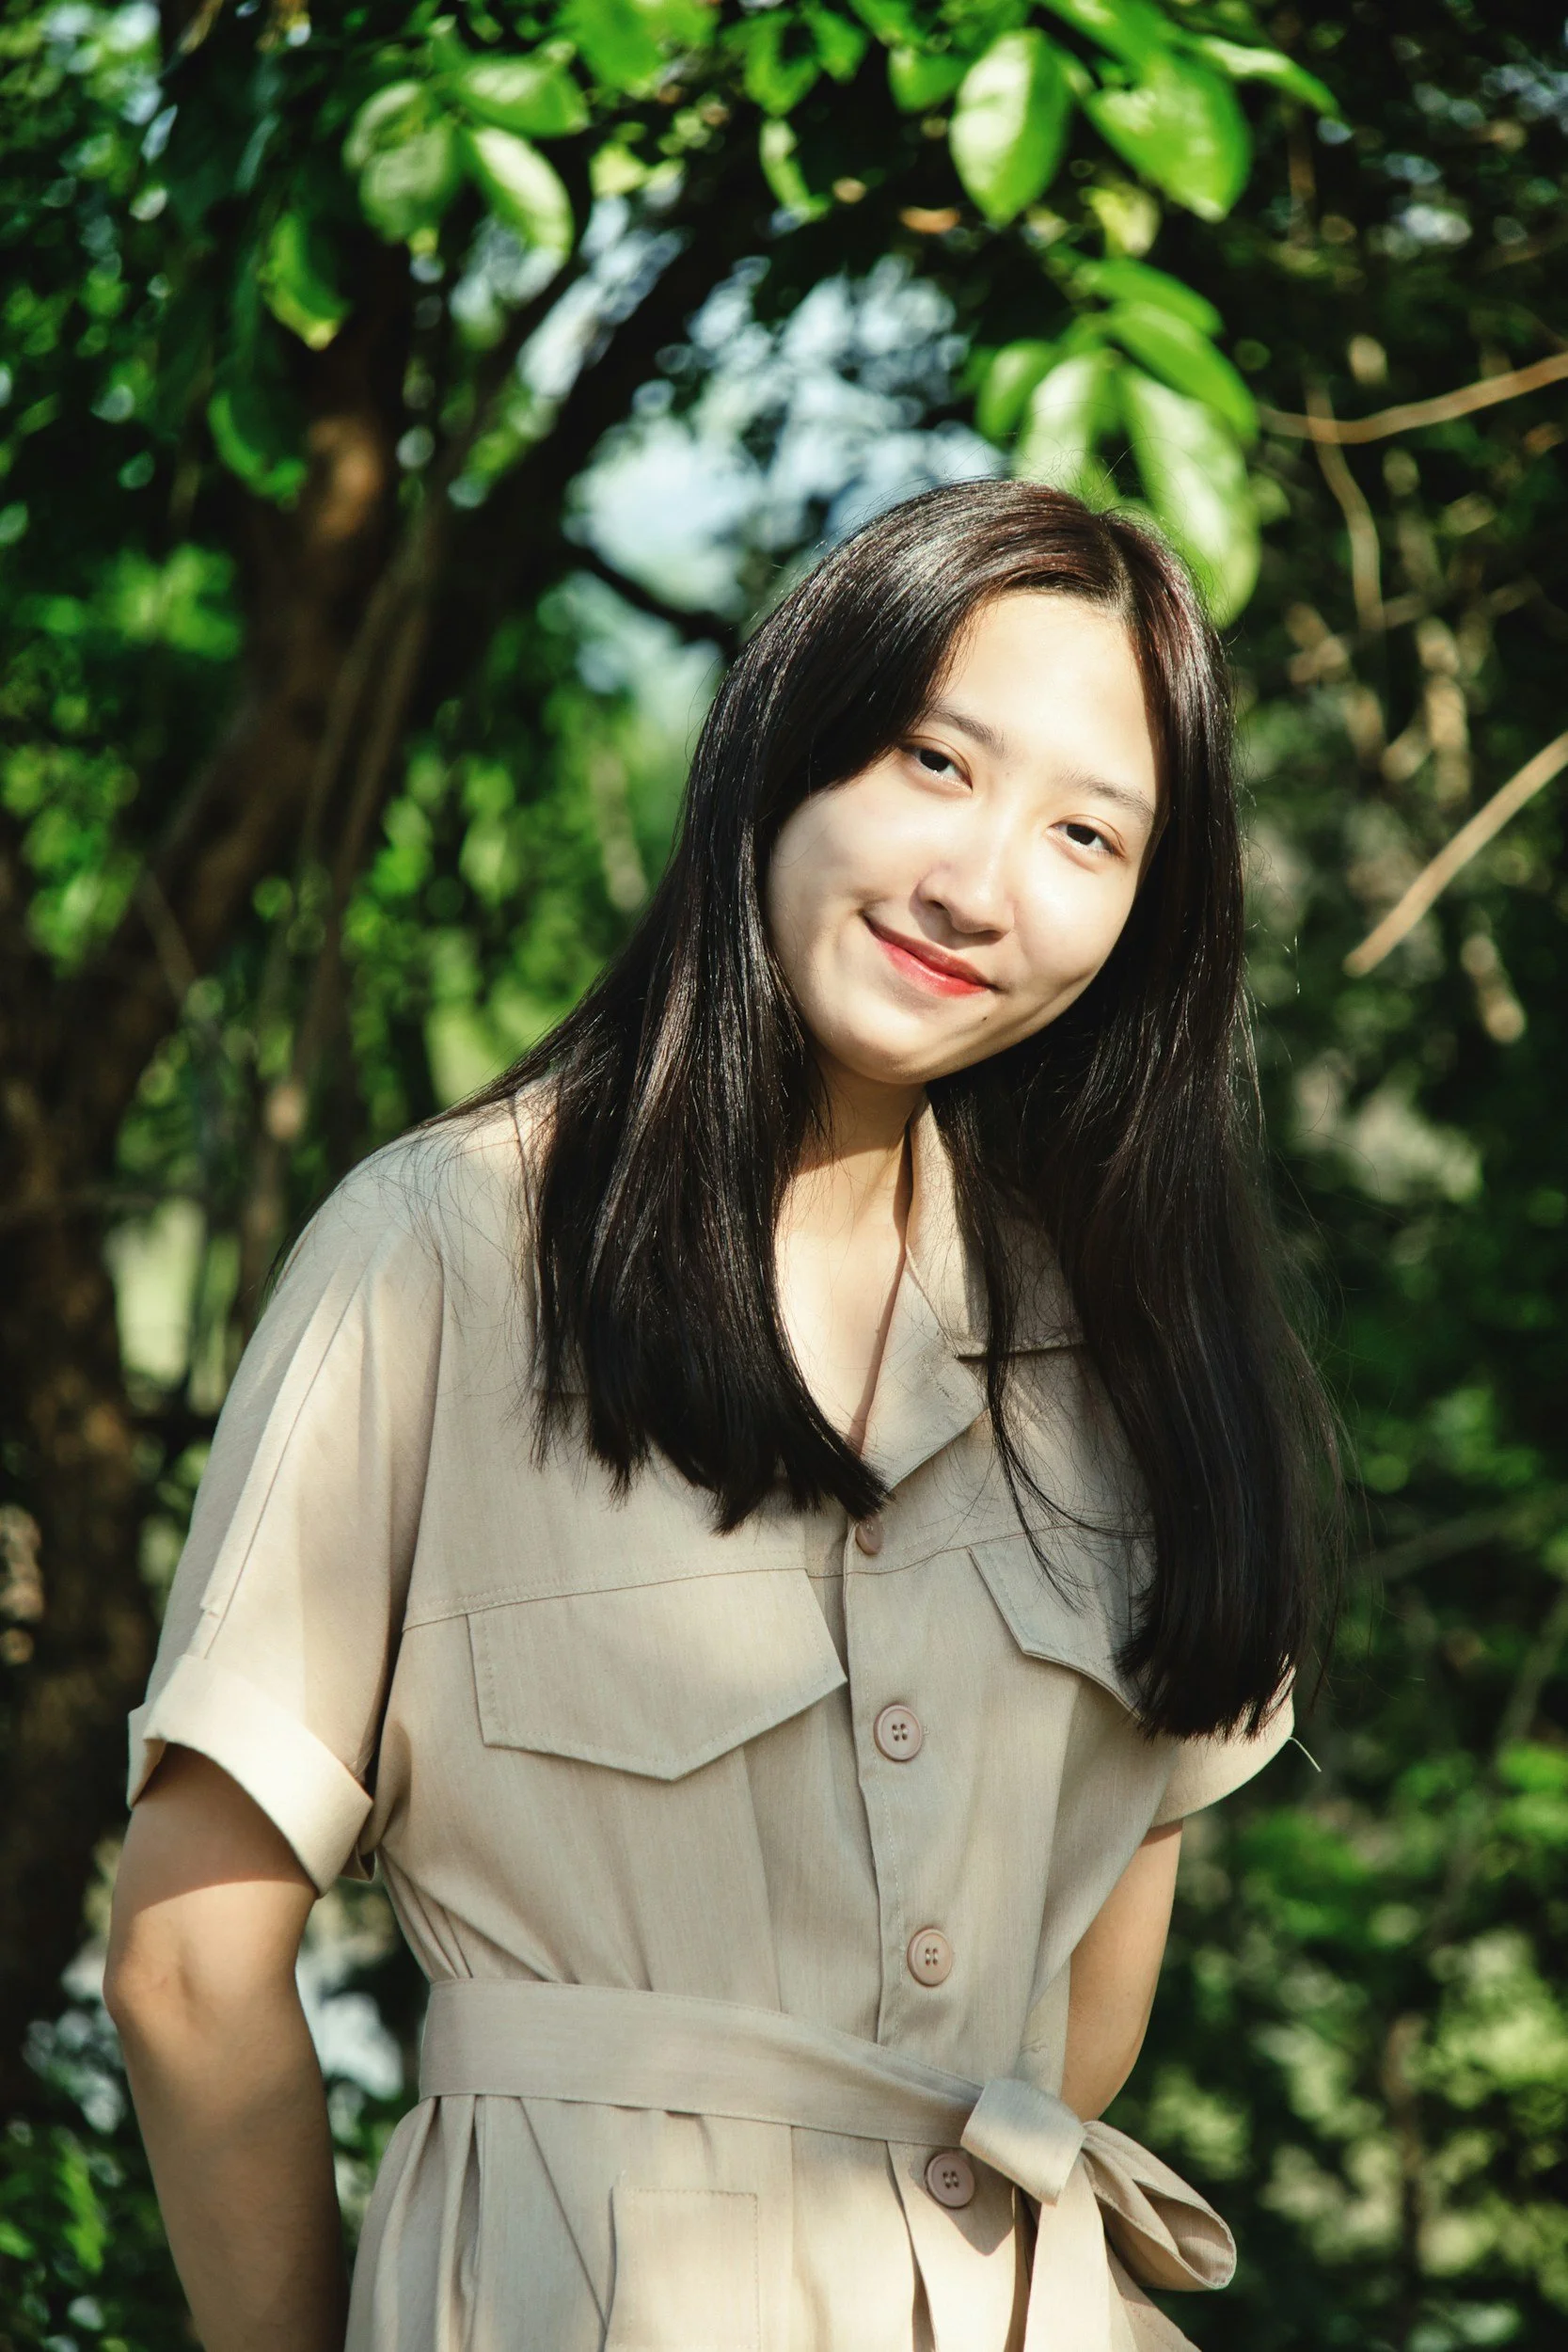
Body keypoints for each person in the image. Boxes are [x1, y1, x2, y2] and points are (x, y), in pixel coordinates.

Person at [105, 479, 1337, 2352]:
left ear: (1144, 917)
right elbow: (190, 1964)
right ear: (787, 742)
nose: (978, 884)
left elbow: (1083, 2020)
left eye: (1086, 834)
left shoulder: (1128, 1355)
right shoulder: (440, 1254)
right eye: (934, 762)